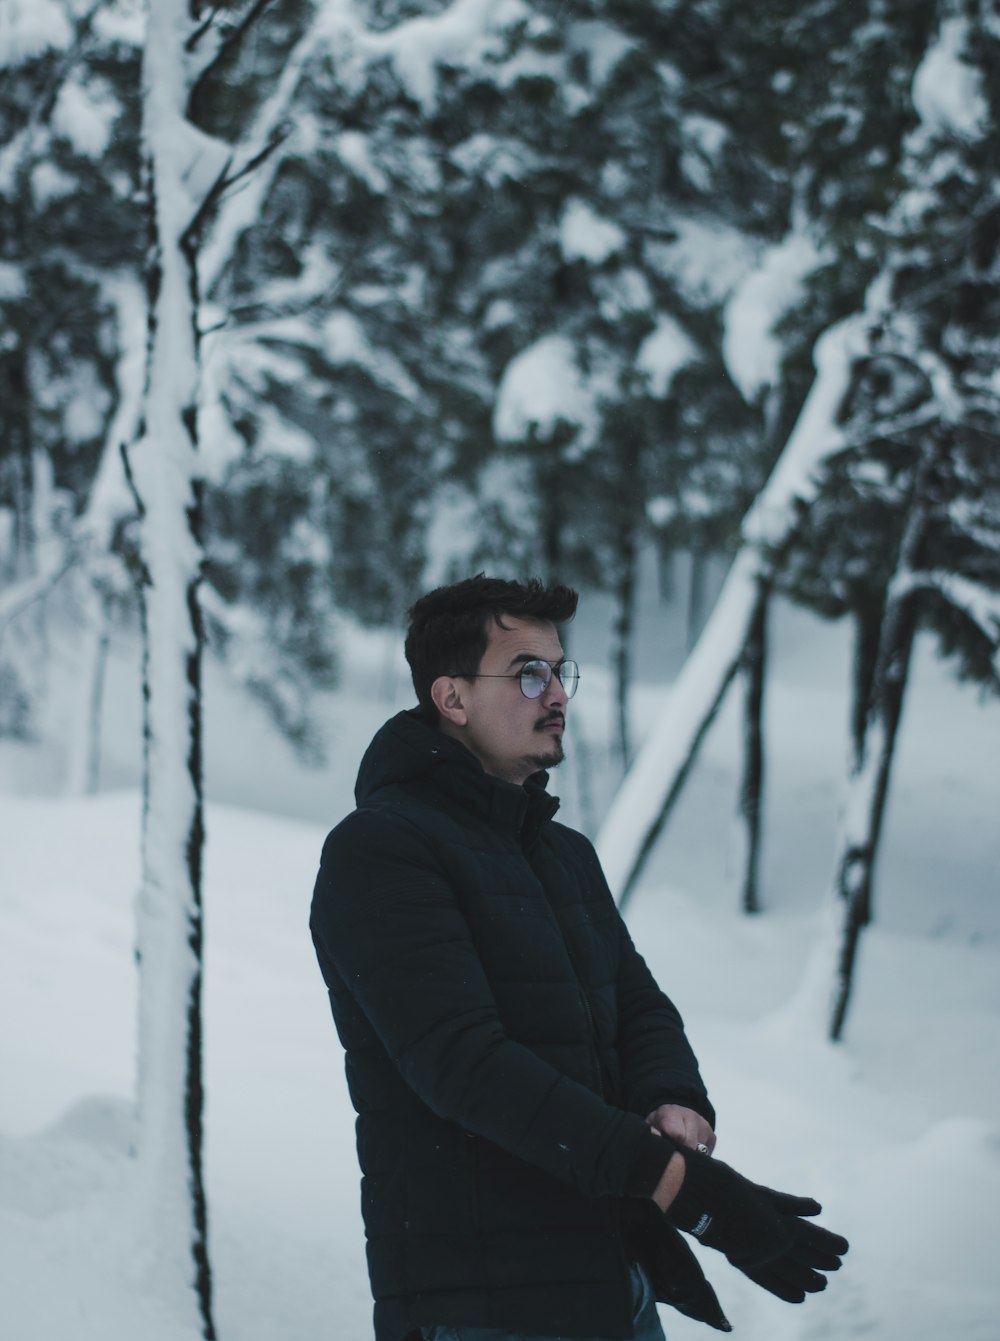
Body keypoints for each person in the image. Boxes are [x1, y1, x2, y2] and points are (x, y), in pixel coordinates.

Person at [310, 575, 847, 1341]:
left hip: (608, 1280)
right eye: (529, 672)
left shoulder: (561, 853)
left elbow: (636, 1002)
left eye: (562, 670)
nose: (556, 693)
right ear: (451, 697)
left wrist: (673, 1094)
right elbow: (465, 1066)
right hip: (483, 1304)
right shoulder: (381, 850)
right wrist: (678, 1184)